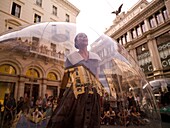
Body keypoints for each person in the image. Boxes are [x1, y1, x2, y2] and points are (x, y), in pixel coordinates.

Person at [47, 33, 102, 128]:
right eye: (80, 36)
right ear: (76, 42)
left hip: (93, 91)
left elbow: (97, 76)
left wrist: (99, 91)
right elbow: (66, 76)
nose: (84, 37)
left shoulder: (95, 57)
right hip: (76, 92)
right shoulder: (71, 57)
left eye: (85, 36)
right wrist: (61, 94)